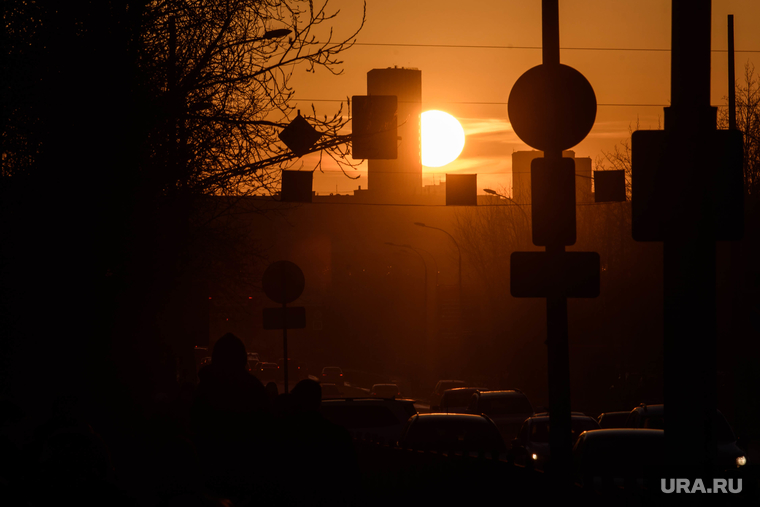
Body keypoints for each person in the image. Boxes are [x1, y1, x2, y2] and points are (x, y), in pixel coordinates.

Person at [190, 333, 273, 498]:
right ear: (242, 358)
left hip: (210, 473)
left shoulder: (204, 389)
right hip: (248, 474)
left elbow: (196, 428)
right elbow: (266, 433)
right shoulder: (253, 389)